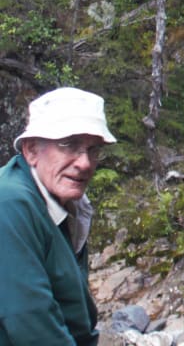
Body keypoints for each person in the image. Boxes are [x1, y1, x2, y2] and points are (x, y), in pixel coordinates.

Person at [0, 87, 117, 346]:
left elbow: (74, 311)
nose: (85, 163)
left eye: (93, 149)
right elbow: (31, 324)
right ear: (31, 150)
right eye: (69, 145)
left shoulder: (70, 207)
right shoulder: (9, 204)